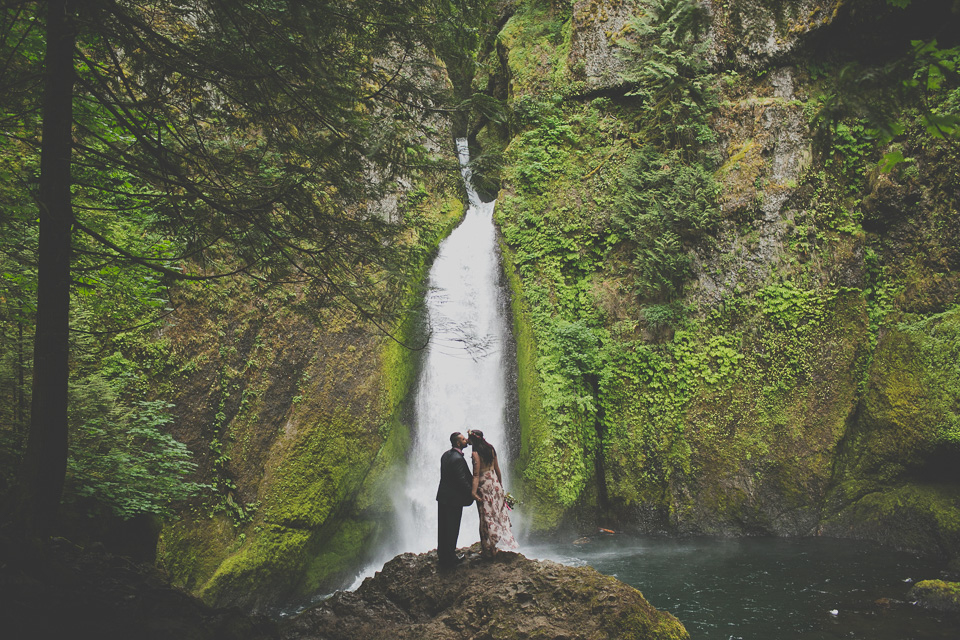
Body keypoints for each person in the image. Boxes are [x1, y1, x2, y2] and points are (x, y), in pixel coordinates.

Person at [467, 429, 518, 557]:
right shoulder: (491, 449)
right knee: (497, 514)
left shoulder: (475, 453)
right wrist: (500, 486)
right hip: (494, 483)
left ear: (473, 440)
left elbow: (476, 474)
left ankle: (487, 548)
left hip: (484, 485)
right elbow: (497, 469)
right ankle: (494, 545)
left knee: (485, 516)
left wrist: (473, 492)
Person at [436, 431, 474, 568]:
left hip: (443, 497)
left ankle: (443, 556)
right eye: (463, 439)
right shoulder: (458, 459)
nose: (466, 441)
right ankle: (450, 558)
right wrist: (472, 493)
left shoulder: (445, 455)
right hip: (453, 499)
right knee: (452, 528)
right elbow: (461, 480)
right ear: (458, 443)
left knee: (443, 528)